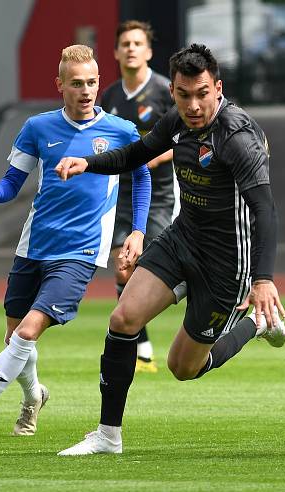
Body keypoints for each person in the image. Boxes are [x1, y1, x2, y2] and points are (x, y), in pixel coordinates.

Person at [54, 43, 285, 456]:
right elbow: (139, 153)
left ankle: (256, 324)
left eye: (201, 94)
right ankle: (108, 436)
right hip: (183, 239)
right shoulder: (178, 121)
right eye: (183, 95)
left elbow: (265, 211)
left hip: (227, 263)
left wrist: (264, 279)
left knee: (184, 368)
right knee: (124, 317)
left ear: (218, 88)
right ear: (174, 91)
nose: (193, 105)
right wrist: (87, 163)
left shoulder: (237, 137)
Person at [0, 45, 151, 440]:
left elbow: (142, 176)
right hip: (33, 245)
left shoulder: (121, 132)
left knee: (26, 333)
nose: (86, 91)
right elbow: (11, 184)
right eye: (76, 84)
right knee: (13, 337)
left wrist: (137, 230)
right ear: (60, 86)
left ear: (99, 83)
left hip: (81, 251)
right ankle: (34, 396)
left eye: (91, 83)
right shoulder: (37, 128)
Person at [101, 20, 185, 374]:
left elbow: (185, 137)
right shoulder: (110, 96)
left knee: (148, 264)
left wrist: (153, 155)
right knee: (123, 268)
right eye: (125, 44)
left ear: (149, 52)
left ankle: (193, 285)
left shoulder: (167, 91)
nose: (131, 48)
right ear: (117, 52)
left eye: (138, 43)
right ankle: (143, 348)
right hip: (122, 193)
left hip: (162, 192)